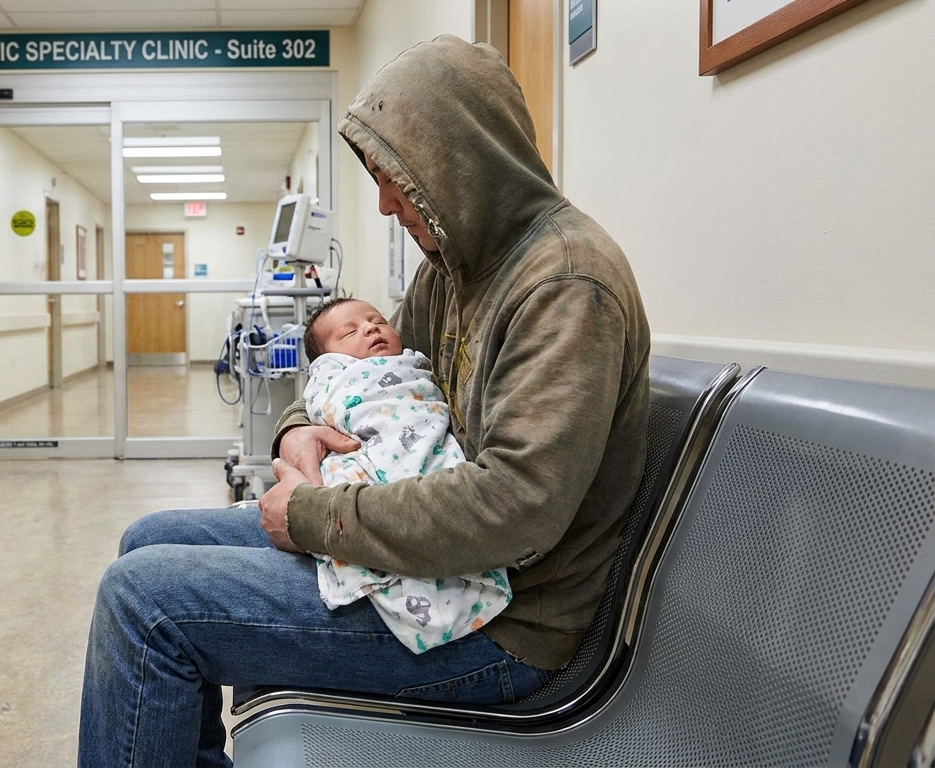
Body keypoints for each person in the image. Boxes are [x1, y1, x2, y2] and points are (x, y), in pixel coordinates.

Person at [78, 35, 650, 768]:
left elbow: (517, 507)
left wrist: (316, 517)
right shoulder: (456, 269)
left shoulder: (565, 285)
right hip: (430, 566)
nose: (385, 204)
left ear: (461, 159)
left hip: (498, 624)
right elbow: (355, 371)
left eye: (398, 180)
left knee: (143, 604)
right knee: (145, 541)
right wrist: (294, 433)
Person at [301, 296, 511, 654]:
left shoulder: (413, 367)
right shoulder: (340, 378)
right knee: (171, 535)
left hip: (427, 504)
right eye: (350, 331)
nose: (370, 328)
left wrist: (304, 511)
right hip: (353, 495)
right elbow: (324, 399)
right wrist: (294, 430)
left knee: (170, 596)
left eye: (377, 321)